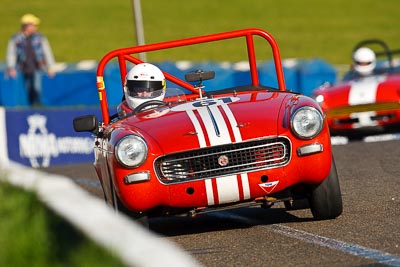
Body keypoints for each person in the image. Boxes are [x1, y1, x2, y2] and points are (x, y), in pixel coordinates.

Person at [6, 13, 56, 105]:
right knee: (26, 90)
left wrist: (51, 66)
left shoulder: (39, 38)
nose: (35, 27)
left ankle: (37, 106)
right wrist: (11, 67)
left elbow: (47, 52)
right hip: (22, 69)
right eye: (33, 25)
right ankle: (28, 109)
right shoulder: (16, 39)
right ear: (26, 26)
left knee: (37, 88)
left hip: (37, 67)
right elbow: (11, 54)